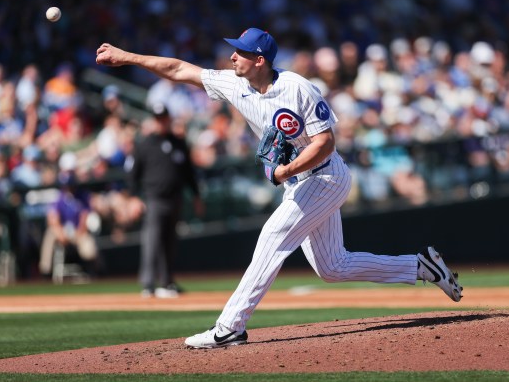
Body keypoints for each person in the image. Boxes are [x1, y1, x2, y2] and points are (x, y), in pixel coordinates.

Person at [96, 27, 463, 349]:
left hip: (325, 176)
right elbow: (179, 69)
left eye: (239, 51)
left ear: (259, 60)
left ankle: (230, 328)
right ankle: (421, 267)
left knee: (272, 237)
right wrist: (126, 57)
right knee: (332, 266)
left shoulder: (297, 87)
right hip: (301, 182)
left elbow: (326, 143)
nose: (231, 56)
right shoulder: (235, 83)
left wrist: (285, 169)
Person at [124, 102, 204, 299]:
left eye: (164, 118)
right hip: (154, 199)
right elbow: (132, 175)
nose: (161, 122)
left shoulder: (179, 143)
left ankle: (167, 281)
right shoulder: (143, 144)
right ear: (154, 120)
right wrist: (133, 198)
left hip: (175, 198)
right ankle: (148, 283)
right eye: (158, 119)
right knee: (152, 240)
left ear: (169, 119)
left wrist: (196, 196)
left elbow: (189, 174)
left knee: (169, 242)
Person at [39, 152, 98, 278]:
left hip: (78, 232)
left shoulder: (83, 195)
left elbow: (85, 215)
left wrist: (80, 232)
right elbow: (52, 217)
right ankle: (45, 273)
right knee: (51, 234)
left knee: (89, 247)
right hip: (62, 230)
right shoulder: (58, 195)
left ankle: (92, 272)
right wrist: (60, 232)